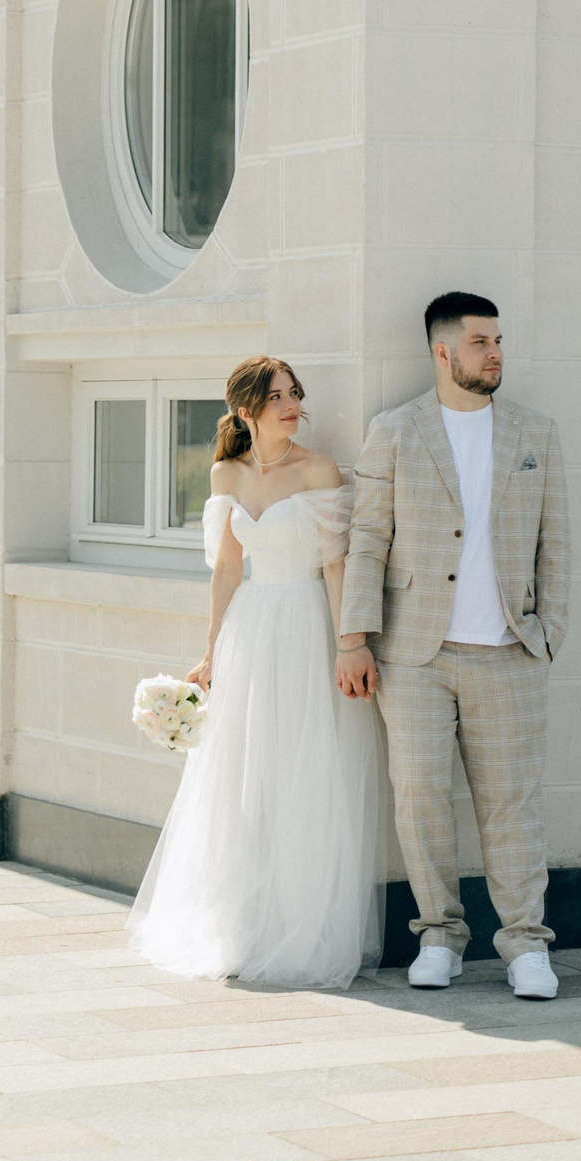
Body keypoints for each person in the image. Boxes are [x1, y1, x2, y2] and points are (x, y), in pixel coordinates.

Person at [336, 292, 571, 1000]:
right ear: (443, 352)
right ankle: (438, 934)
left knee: (512, 804)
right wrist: (355, 637)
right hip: (415, 656)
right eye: (479, 342)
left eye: (498, 340)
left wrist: (547, 633)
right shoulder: (397, 431)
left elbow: (554, 543)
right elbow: (368, 539)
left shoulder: (535, 431)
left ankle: (526, 944)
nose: (495, 352)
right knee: (420, 798)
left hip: (509, 650)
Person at [127, 356, 385, 988]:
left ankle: (299, 928)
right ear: (246, 410)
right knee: (245, 774)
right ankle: (241, 924)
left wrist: (350, 642)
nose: (291, 405)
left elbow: (335, 566)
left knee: (302, 769)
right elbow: (225, 570)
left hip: (305, 627)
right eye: (276, 397)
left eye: (294, 393)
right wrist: (211, 652)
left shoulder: (317, 468)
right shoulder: (225, 474)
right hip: (249, 632)